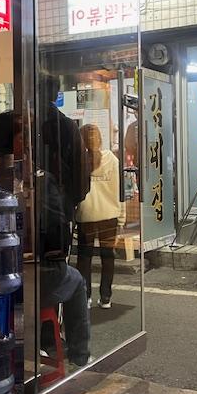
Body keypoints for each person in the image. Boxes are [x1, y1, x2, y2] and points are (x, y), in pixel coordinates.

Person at [39, 74, 91, 367]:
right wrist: (68, 202)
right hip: (55, 216)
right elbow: (80, 179)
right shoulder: (65, 126)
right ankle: (62, 347)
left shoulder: (12, 122)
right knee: (61, 276)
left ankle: (45, 341)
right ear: (55, 94)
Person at [76, 124, 126, 310]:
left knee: (84, 258)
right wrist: (122, 218)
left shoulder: (79, 160)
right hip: (109, 215)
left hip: (86, 214)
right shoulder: (112, 159)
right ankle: (106, 297)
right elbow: (120, 190)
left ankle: (85, 297)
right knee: (108, 256)